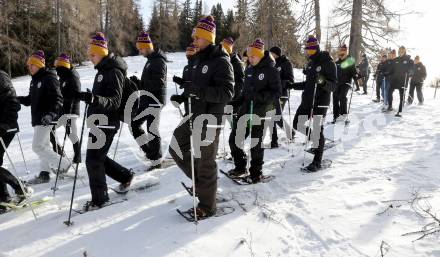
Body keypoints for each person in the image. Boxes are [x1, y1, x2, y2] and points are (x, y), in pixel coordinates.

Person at [169, 16, 234, 219]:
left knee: (206, 160)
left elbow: (227, 92)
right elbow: (195, 88)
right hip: (193, 113)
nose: (194, 41)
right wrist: (184, 92)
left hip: (210, 117)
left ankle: (207, 205)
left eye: (197, 37)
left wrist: (197, 91)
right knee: (176, 145)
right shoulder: (198, 60)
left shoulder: (221, 61)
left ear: (207, 38)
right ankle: (201, 183)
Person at [77, 32, 134, 210]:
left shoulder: (113, 71)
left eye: (92, 54)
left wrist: (95, 99)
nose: (90, 57)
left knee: (93, 160)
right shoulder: (103, 70)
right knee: (98, 158)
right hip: (99, 121)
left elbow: (114, 101)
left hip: (106, 122)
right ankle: (125, 176)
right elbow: (102, 97)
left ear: (101, 52)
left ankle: (100, 199)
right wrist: (92, 99)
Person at [227, 39, 281, 182]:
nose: (250, 59)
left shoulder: (271, 70)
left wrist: (259, 96)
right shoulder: (249, 69)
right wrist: (234, 102)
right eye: (249, 56)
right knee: (234, 140)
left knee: (256, 145)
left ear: (260, 55)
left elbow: (276, 93)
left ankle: (256, 173)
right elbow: (245, 93)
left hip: (260, 111)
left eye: (253, 56)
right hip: (246, 110)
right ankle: (240, 166)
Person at [18, 50, 70, 184]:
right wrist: (16, 99)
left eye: (32, 65)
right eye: (29, 65)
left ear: (40, 65)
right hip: (37, 119)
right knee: (45, 147)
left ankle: (64, 164)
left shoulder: (49, 77)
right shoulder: (34, 81)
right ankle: (45, 173)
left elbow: (58, 99)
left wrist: (51, 114)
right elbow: (30, 100)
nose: (30, 68)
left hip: (46, 118)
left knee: (37, 146)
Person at [286, 35, 337, 172]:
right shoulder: (311, 63)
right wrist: (292, 85)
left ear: (316, 47)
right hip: (307, 100)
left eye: (311, 48)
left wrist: (323, 82)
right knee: (297, 123)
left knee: (317, 129)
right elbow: (307, 84)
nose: (308, 50)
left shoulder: (328, 62)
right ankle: (316, 140)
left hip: (320, 102)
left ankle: (317, 161)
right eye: (307, 48)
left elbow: (333, 86)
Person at [129, 32, 167, 170]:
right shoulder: (151, 60)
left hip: (154, 100)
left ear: (147, 46)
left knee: (144, 127)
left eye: (141, 49)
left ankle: (154, 157)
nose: (139, 51)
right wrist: (138, 83)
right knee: (142, 126)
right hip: (148, 99)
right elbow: (149, 83)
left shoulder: (158, 61)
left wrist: (141, 84)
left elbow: (158, 83)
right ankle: (152, 154)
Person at [0, 70, 33, 213]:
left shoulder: (1, 77)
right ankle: (4, 197)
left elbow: (14, 103)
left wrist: (4, 125)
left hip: (6, 127)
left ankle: (21, 188)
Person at [54, 53, 81, 164]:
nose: (57, 71)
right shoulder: (63, 78)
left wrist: (68, 107)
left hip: (70, 111)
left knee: (71, 134)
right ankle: (59, 153)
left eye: (59, 68)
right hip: (62, 111)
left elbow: (76, 94)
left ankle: (77, 156)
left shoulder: (72, 77)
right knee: (50, 130)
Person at [221, 37, 245, 149]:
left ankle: (237, 150)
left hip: (233, 100)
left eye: (226, 46)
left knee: (235, 126)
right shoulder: (221, 60)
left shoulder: (237, 62)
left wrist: (234, 96)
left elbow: (241, 82)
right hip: (222, 99)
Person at [269, 46, 294, 147]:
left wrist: (279, 83)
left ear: (276, 54)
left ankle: (290, 133)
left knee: (276, 117)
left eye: (272, 53)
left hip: (282, 94)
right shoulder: (272, 63)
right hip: (273, 94)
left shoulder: (286, 63)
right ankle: (274, 141)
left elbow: (290, 80)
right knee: (272, 116)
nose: (270, 55)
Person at [332, 44, 359, 123]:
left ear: (346, 51)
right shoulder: (336, 62)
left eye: (344, 50)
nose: (342, 51)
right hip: (337, 83)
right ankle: (336, 116)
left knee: (342, 96)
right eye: (341, 50)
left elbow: (354, 72)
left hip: (346, 83)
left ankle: (343, 116)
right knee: (335, 98)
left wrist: (356, 77)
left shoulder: (349, 61)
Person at [171, 44, 198, 114]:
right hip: (187, 101)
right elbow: (185, 84)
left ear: (196, 52)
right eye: (187, 52)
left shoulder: (199, 66)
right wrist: (178, 80)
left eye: (191, 51)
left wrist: (182, 97)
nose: (189, 54)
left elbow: (196, 84)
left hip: (197, 103)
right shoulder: (186, 68)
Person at [388, 46, 414, 117]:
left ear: (405, 51)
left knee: (402, 96)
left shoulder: (409, 60)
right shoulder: (395, 59)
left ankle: (399, 111)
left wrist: (410, 72)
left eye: (402, 50)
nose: (400, 51)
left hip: (403, 80)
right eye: (399, 50)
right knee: (389, 92)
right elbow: (391, 69)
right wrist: (387, 74)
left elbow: (412, 68)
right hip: (394, 80)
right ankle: (390, 106)